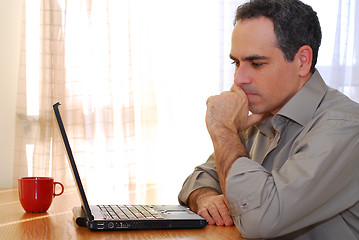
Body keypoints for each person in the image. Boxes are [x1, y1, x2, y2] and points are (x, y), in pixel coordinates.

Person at [178, 0, 359, 239]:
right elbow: (199, 178)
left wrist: (223, 131)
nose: (239, 78)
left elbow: (259, 219)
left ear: (302, 61)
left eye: (256, 63)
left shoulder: (343, 126)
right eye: (236, 62)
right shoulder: (262, 114)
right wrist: (207, 198)